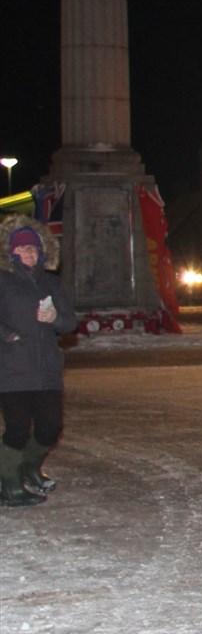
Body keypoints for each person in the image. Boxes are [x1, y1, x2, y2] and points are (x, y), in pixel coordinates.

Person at [0, 215, 76, 507]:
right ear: (10, 252)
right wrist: (8, 336)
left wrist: (55, 318)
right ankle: (8, 484)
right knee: (18, 428)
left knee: (50, 427)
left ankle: (27, 467)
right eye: (21, 249)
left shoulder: (51, 282)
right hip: (12, 367)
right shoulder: (4, 280)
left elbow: (69, 322)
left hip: (46, 368)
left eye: (33, 248)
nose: (29, 253)